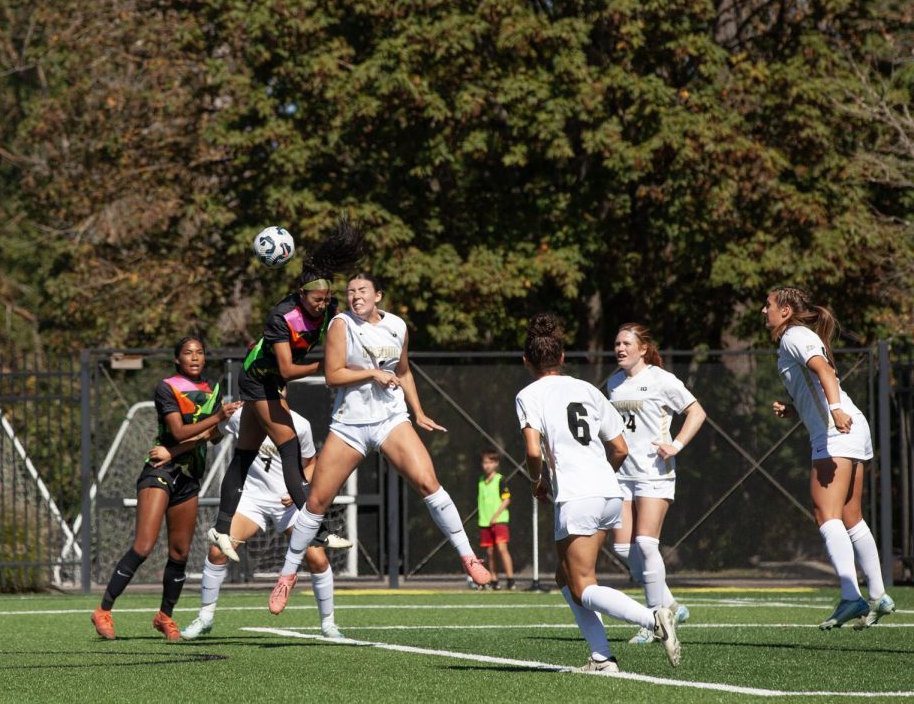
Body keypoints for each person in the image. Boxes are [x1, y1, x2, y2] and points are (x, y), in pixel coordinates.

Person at [268, 273, 492, 614]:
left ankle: (468, 556)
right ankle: (286, 577)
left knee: (428, 482)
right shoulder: (341, 324)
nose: (356, 296)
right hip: (350, 426)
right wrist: (372, 373)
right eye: (351, 292)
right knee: (316, 501)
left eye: (363, 291)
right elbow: (333, 375)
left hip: (390, 419)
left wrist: (417, 411)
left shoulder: (397, 325)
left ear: (378, 295)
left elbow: (403, 371)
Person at [516, 313, 679, 673]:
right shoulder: (588, 388)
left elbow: (531, 451)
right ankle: (602, 658)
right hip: (609, 491)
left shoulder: (528, 393)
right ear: (562, 358)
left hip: (576, 496)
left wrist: (536, 480)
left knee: (583, 584)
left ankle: (652, 618)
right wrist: (603, 477)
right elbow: (619, 447)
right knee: (566, 577)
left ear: (527, 361)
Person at [209, 219, 365, 561]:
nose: (321, 305)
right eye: (316, 300)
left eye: (326, 299)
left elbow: (344, 331)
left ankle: (221, 528)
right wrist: (325, 366)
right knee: (290, 448)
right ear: (301, 294)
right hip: (258, 381)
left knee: (244, 454)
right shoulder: (282, 316)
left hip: (270, 382)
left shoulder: (328, 309)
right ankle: (318, 529)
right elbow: (286, 370)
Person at [91, 337, 241, 641]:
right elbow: (177, 431)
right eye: (188, 353)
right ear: (178, 359)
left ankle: (164, 616)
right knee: (144, 545)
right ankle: (103, 610)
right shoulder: (167, 387)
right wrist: (216, 420)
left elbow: (212, 437)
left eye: (199, 353)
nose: (195, 357)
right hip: (160, 471)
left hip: (189, 476)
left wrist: (218, 427)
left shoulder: (211, 392)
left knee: (180, 552)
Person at [764, 286, 895, 629]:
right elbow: (818, 384)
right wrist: (796, 409)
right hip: (850, 428)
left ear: (787, 310)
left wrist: (835, 411)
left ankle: (852, 597)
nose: (764, 311)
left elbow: (823, 370)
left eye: (769, 305)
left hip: (837, 431)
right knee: (851, 517)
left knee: (826, 514)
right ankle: (879, 595)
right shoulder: (794, 337)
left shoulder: (794, 334)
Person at [181, 406, 343, 640]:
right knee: (218, 551)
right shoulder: (241, 416)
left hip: (287, 503)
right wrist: (177, 448)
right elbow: (212, 433)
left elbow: (311, 464)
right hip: (250, 499)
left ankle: (329, 624)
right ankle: (205, 617)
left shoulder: (299, 424)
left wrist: (299, 486)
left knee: (317, 559)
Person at [606, 323, 706, 644]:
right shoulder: (614, 383)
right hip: (622, 475)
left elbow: (696, 412)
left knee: (647, 544)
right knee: (622, 547)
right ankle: (671, 606)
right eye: (617, 343)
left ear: (643, 349)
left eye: (626, 344)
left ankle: (653, 620)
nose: (620, 348)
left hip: (653, 473)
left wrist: (675, 445)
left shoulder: (662, 380)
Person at [476, 449, 515, 590]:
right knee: (490, 552)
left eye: (490, 462)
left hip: (499, 521)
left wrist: (495, 516)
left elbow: (506, 500)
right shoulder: (481, 481)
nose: (486, 465)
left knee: (502, 549)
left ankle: (511, 580)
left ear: (496, 464)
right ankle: (494, 580)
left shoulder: (500, 480)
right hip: (484, 522)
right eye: (484, 462)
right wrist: (486, 518)